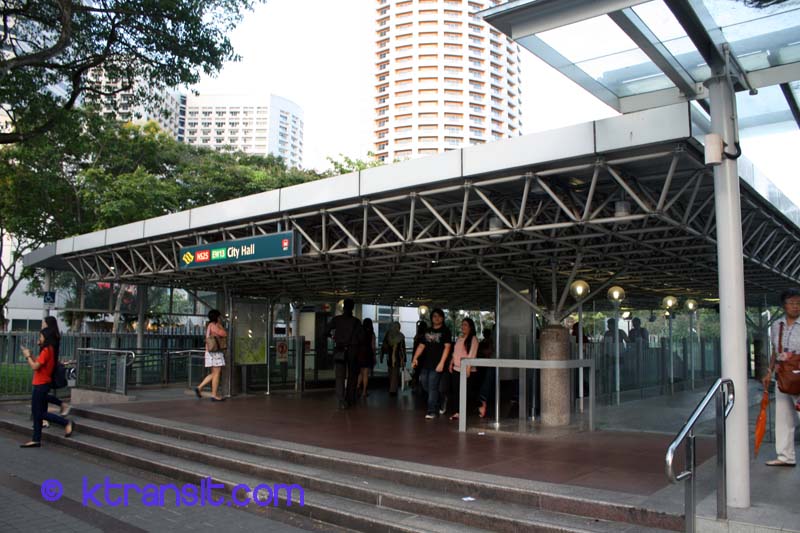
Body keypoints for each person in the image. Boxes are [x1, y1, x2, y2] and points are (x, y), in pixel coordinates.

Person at [763, 288, 800, 467]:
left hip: (799, 376)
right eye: (791, 302)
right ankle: (785, 456)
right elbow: (774, 352)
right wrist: (769, 371)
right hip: (783, 376)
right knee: (784, 417)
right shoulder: (777, 325)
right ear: (784, 305)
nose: (795, 306)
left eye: (798, 303)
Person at [20, 325, 74, 447]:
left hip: (41, 383)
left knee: (39, 413)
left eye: (41, 336)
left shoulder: (46, 350)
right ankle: (36, 439)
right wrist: (31, 355)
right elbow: (39, 363)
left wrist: (28, 356)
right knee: (37, 412)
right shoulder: (49, 350)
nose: (39, 338)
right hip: (41, 383)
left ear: (46, 337)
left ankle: (65, 422)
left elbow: (35, 366)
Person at [412, 308, 452, 419]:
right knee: (425, 384)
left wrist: (442, 363)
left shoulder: (445, 331)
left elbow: (447, 347)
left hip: (438, 364)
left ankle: (431, 411)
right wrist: (415, 358)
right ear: (431, 318)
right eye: (434, 316)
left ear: (442, 318)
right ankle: (441, 399)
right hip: (426, 364)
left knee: (432, 386)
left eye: (439, 316)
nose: (437, 318)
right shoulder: (427, 331)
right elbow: (421, 345)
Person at [325, 298, 363, 409]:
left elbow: (325, 331)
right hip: (353, 351)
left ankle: (341, 400)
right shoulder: (356, 322)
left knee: (339, 376)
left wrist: (333, 337)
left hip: (340, 349)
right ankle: (350, 399)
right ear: (353, 308)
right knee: (352, 375)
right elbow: (362, 338)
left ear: (343, 307)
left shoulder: (337, 320)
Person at [448, 318, 478, 420]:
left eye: (465, 325)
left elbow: (472, 354)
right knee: (456, 392)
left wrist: (468, 369)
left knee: (467, 393)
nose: (463, 327)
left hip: (467, 370)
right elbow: (455, 352)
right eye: (462, 325)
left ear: (470, 327)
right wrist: (451, 363)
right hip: (456, 369)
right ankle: (457, 412)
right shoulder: (459, 338)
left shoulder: (473, 339)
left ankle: (474, 408)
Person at [196, 309, 227, 402]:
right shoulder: (214, 325)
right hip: (215, 352)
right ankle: (213, 395)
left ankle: (200, 387)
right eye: (219, 316)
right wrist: (220, 325)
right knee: (217, 373)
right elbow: (224, 333)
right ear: (216, 317)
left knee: (214, 373)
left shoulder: (209, 325)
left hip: (210, 352)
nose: (221, 318)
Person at [42, 316, 70, 417]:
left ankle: (61, 405)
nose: (42, 324)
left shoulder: (50, 337)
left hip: (47, 367)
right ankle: (43, 416)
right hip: (49, 366)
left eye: (44, 322)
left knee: (41, 393)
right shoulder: (55, 336)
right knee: (42, 393)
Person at [381, 321, 406, 395]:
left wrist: (382, 356)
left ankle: (392, 388)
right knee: (395, 373)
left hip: (389, 357)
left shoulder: (388, 335)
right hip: (397, 357)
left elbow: (384, 346)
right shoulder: (400, 336)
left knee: (391, 373)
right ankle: (393, 390)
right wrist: (403, 359)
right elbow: (402, 349)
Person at [357, 318, 376, 399]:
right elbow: (373, 346)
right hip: (368, 354)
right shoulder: (372, 334)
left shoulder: (360, 332)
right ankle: (364, 391)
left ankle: (357, 387)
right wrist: (374, 356)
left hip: (360, 354)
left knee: (360, 373)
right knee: (366, 374)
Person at [477, 328, 494, 419]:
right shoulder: (484, 341)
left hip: (487, 363)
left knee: (486, 382)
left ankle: (483, 399)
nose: (484, 334)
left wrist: (481, 352)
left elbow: (489, 351)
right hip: (482, 364)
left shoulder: (490, 341)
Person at [411, 321, 427, 393]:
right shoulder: (426, 336)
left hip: (416, 356)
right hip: (423, 358)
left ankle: (415, 387)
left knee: (416, 373)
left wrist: (413, 358)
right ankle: (423, 389)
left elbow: (415, 348)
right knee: (423, 373)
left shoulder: (416, 336)